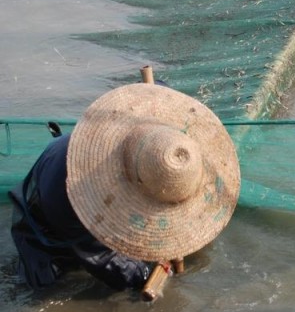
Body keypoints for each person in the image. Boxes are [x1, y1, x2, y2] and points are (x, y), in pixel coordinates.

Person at [8, 83, 240, 291]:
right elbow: (102, 259)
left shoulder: (156, 143)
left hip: (62, 163)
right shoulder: (77, 194)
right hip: (46, 215)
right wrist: (145, 273)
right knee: (45, 285)